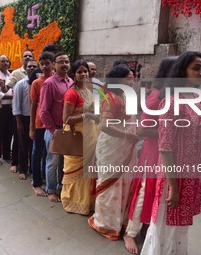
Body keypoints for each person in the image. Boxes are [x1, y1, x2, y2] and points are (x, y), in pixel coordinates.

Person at [141, 51, 201, 255]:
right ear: (182, 71)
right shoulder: (172, 102)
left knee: (180, 225)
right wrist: (173, 187)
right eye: (196, 67)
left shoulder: (194, 98)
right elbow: (165, 148)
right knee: (166, 225)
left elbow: (190, 130)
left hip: (191, 171)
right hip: (173, 176)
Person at [123, 56, 178, 254]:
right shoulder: (156, 96)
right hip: (154, 151)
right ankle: (130, 231)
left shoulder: (175, 96)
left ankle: (148, 225)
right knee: (145, 190)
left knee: (159, 193)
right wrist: (173, 134)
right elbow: (143, 130)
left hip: (168, 152)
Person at [88, 65, 138, 240]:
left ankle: (118, 221)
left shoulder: (123, 96)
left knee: (123, 182)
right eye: (128, 78)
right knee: (110, 184)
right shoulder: (111, 98)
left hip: (123, 146)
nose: (132, 81)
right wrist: (126, 135)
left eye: (132, 77)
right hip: (112, 146)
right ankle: (105, 223)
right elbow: (103, 125)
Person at [61, 60, 99, 215]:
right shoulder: (71, 93)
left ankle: (88, 202)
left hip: (90, 136)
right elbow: (66, 119)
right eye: (80, 72)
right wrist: (87, 115)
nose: (84, 74)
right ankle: (72, 201)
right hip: (77, 137)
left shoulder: (88, 91)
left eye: (85, 71)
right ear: (74, 75)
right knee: (75, 171)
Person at [40, 52, 74, 202]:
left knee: (64, 162)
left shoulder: (71, 81)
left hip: (67, 129)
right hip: (54, 130)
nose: (65, 64)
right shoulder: (49, 83)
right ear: (54, 65)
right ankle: (51, 190)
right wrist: (54, 131)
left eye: (66, 61)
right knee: (52, 162)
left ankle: (61, 186)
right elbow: (43, 111)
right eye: (61, 62)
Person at [30, 52, 54, 196]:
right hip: (40, 123)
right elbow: (33, 105)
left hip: (54, 123)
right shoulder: (37, 83)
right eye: (42, 63)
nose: (45, 66)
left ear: (53, 64)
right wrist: (31, 127)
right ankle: (36, 183)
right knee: (37, 152)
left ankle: (49, 180)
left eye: (47, 63)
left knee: (50, 154)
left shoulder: (59, 80)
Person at [13, 60, 38, 180]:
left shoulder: (40, 83)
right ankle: (22, 169)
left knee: (36, 146)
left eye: (34, 66)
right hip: (24, 118)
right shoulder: (20, 84)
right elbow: (16, 105)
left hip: (37, 119)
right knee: (23, 145)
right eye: (29, 66)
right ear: (25, 68)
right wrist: (19, 122)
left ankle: (34, 169)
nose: (32, 68)